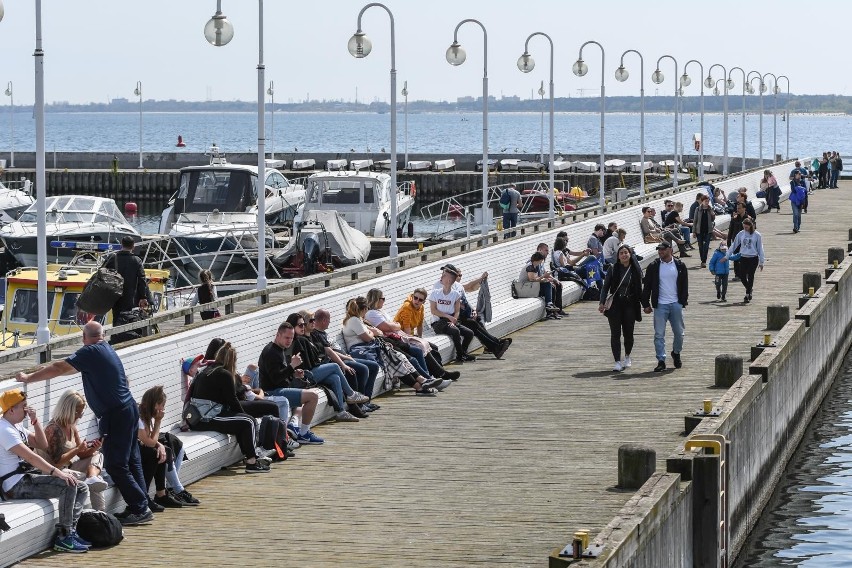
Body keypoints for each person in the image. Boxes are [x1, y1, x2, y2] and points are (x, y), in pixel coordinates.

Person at [17, 321, 153, 527]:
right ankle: (143, 504)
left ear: (84, 338)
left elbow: (59, 367)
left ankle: (140, 507)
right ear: (103, 334)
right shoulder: (105, 348)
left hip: (116, 415)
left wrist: (29, 378)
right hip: (127, 410)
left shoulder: (91, 351)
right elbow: (71, 369)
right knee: (132, 459)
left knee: (116, 464)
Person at [0, 389, 91, 553]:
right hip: (14, 485)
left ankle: (70, 530)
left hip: (26, 479)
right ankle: (64, 538)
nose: (28, 410)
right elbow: (32, 458)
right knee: (67, 484)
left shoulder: (16, 426)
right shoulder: (4, 430)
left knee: (81, 487)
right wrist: (58, 472)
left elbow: (42, 445)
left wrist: (35, 421)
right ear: (11, 409)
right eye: (24, 406)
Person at [342, 297, 440, 395]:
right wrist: (373, 333)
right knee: (395, 362)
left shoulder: (358, 320)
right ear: (363, 309)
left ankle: (422, 382)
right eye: (366, 308)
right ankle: (421, 385)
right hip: (364, 350)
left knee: (400, 358)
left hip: (371, 348)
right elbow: (368, 338)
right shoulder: (354, 320)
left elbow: (378, 333)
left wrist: (372, 332)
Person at [285, 312, 371, 421]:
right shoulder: (299, 340)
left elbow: (319, 356)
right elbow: (309, 364)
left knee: (335, 378)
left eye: (303, 324)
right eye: (301, 325)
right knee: (335, 366)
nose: (304, 326)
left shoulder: (308, 338)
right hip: (306, 375)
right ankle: (351, 394)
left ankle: (341, 412)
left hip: (311, 371)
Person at [36, 390, 107, 512]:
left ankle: (92, 477)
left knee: (98, 455)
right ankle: (102, 515)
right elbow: (56, 463)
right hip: (55, 473)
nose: (79, 416)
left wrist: (94, 447)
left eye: (81, 412)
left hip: (69, 468)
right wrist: (77, 449)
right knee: (95, 483)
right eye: (77, 412)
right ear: (67, 409)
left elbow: (81, 454)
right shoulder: (54, 429)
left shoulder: (72, 426)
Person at [364, 289, 457, 383]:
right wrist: (397, 327)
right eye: (415, 298)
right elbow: (390, 327)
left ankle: (438, 374)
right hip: (395, 338)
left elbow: (417, 323)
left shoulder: (381, 312)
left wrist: (418, 336)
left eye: (420, 300)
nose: (417, 301)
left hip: (399, 335)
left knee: (432, 347)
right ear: (376, 299)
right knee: (419, 348)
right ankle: (432, 377)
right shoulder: (374, 313)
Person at [258, 322, 325, 445]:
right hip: (272, 392)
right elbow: (275, 379)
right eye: (286, 338)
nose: (289, 341)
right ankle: (304, 434)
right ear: (278, 335)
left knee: (310, 394)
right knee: (312, 396)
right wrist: (292, 365)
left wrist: (293, 373)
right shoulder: (271, 352)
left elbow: (279, 373)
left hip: (279, 388)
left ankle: (298, 428)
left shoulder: (279, 349)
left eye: (291, 338)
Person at [137, 386, 198, 510]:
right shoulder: (140, 416)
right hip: (128, 452)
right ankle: (146, 496)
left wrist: (159, 445)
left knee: (167, 449)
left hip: (140, 446)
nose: (163, 409)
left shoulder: (146, 415)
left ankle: (162, 494)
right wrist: (158, 421)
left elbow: (150, 440)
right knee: (155, 453)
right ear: (154, 404)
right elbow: (149, 442)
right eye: (162, 405)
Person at [312, 308, 381, 412]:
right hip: (338, 360)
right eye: (329, 320)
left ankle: (366, 401)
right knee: (362, 369)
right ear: (324, 320)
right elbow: (330, 353)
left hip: (344, 357)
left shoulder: (323, 333)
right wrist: (346, 358)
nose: (330, 322)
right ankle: (359, 404)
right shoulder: (316, 334)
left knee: (374, 366)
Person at [440, 264, 511, 359]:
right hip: (454, 317)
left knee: (477, 321)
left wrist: (473, 310)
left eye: (461, 275)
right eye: (457, 275)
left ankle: (494, 345)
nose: (459, 277)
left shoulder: (458, 286)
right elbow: (468, 288)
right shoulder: (445, 286)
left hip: (463, 315)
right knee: (473, 324)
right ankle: (495, 345)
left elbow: (465, 300)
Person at [641, 241, 688, 372]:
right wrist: (645, 304)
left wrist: (682, 301)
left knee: (679, 333)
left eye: (663, 249)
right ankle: (661, 360)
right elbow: (647, 287)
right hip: (660, 304)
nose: (660, 252)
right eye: (659, 250)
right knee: (659, 334)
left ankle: (676, 352)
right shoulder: (653, 266)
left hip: (676, 303)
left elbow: (684, 285)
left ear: (670, 250)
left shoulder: (680, 265)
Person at [598, 245, 643, 371]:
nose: (624, 255)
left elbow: (639, 289)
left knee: (628, 333)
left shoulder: (635, 269)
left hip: (630, 303)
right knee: (615, 333)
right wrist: (602, 302)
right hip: (616, 304)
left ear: (630, 254)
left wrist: (645, 304)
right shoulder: (613, 268)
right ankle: (617, 361)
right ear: (618, 256)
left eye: (626, 253)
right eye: (621, 253)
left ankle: (627, 356)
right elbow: (605, 287)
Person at [429, 266, 477, 363]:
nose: (441, 277)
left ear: (449, 280)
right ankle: (460, 356)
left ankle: (463, 352)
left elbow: (457, 310)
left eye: (444, 275)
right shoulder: (435, 293)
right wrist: (448, 316)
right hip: (438, 322)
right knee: (455, 331)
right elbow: (433, 311)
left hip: (450, 321)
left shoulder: (455, 295)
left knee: (469, 333)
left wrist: (454, 319)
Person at [108, 235, 154, 324]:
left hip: (115, 293)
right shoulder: (137, 260)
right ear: (133, 246)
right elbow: (142, 280)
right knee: (129, 316)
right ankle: (128, 334)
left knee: (116, 315)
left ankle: (116, 335)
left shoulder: (113, 258)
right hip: (130, 294)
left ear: (121, 244)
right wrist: (143, 297)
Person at [723, 217, 765, 304]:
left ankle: (747, 294)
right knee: (742, 276)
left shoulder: (757, 235)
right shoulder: (741, 234)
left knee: (750, 275)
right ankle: (749, 288)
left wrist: (761, 261)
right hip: (743, 257)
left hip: (753, 257)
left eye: (746, 227)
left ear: (751, 226)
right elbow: (734, 245)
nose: (745, 229)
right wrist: (727, 256)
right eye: (744, 227)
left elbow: (760, 249)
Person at [692, 195, 716, 268]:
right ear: (702, 201)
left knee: (706, 246)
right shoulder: (698, 209)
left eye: (708, 201)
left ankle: (704, 261)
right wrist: (694, 231)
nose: (707, 202)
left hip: (708, 230)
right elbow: (695, 220)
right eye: (705, 201)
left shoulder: (710, 209)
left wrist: (712, 214)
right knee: (700, 246)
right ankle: (702, 259)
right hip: (699, 230)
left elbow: (712, 219)